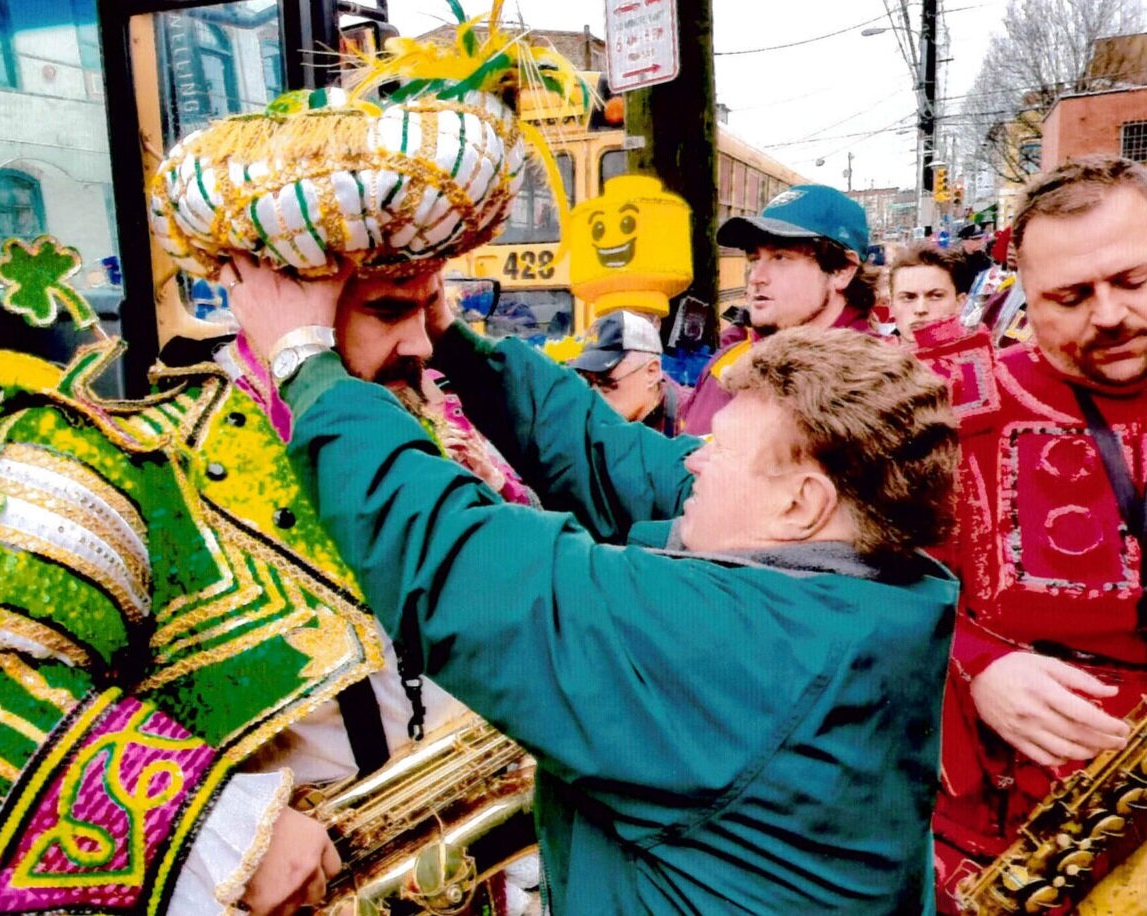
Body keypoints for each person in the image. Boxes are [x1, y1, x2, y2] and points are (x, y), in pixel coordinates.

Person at [0, 16, 566, 914]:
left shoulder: (448, 438)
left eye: (431, 304)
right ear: (274, 300)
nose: (423, 343)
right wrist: (210, 820)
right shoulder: (147, 461)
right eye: (386, 309)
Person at [226, 251, 963, 914]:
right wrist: (457, 344)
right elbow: (618, 463)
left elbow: (462, 567)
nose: (693, 463)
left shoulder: (736, 647)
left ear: (801, 504)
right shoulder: (870, 580)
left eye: (721, 451)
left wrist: (303, 359)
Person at [918, 156, 1147, 912]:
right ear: (1024, 300)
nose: (1108, 314)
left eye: (1133, 281)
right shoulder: (945, 409)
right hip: (1010, 851)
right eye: (1071, 297)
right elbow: (860, 584)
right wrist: (976, 666)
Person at [679, 184, 878, 434]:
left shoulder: (877, 384)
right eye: (754, 259)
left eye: (781, 257)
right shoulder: (726, 361)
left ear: (842, 270)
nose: (756, 277)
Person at [568, 310, 686, 436]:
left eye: (606, 384)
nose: (595, 397)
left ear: (651, 372)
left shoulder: (694, 419)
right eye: (588, 383)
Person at [886, 241, 968, 340]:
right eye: (908, 297)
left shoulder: (984, 353)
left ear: (960, 302)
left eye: (936, 296)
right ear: (891, 306)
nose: (920, 309)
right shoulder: (870, 354)